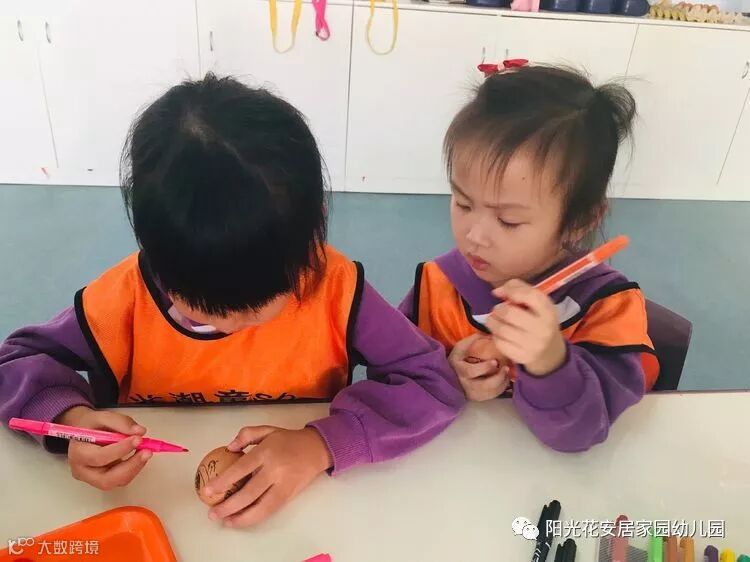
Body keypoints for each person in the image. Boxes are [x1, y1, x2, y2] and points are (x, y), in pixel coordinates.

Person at [0, 73, 465, 528]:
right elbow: (13, 364)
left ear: (311, 236)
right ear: (153, 251)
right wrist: (68, 421)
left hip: (307, 513)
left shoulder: (339, 291)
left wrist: (321, 444)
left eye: (258, 306)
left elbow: (431, 382)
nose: (230, 327)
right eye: (201, 307)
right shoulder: (121, 301)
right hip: (150, 508)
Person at [400, 65, 659, 452]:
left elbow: (584, 433)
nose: (474, 236)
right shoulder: (438, 284)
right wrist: (445, 374)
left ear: (580, 221)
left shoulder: (607, 307)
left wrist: (551, 362)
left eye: (508, 220)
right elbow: (395, 373)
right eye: (463, 203)